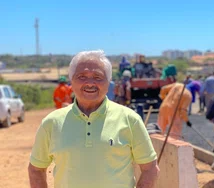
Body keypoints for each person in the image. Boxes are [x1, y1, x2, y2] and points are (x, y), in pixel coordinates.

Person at [28, 50, 159, 188]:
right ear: (71, 80)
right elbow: (36, 169)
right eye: (82, 76)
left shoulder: (130, 120)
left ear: (108, 83)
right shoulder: (51, 123)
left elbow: (150, 168)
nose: (90, 83)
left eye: (98, 77)